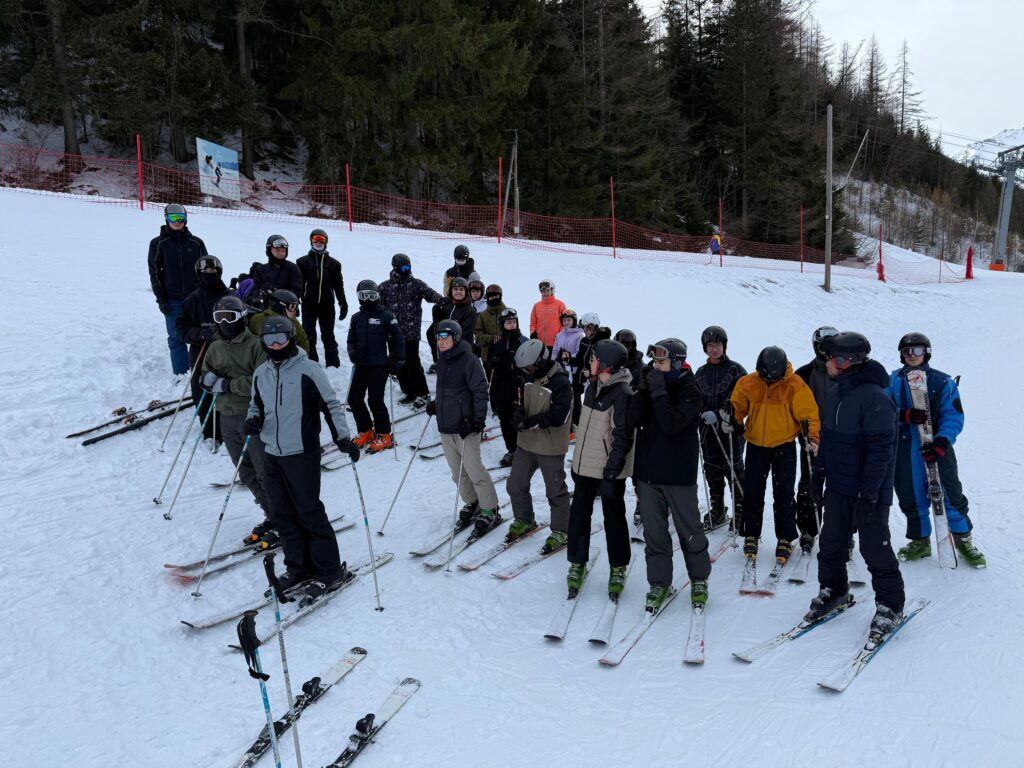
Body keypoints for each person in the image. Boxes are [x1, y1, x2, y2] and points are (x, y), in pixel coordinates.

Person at [244, 316, 360, 599]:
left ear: (291, 339)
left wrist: (343, 437)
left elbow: (330, 404)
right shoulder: (262, 373)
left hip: (302, 454)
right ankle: (298, 568)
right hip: (272, 453)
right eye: (269, 340)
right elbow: (255, 404)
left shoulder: (308, 369)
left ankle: (329, 571)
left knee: (309, 513)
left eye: (280, 338)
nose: (275, 345)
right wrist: (253, 419)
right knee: (282, 514)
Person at [807, 332, 906, 639]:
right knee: (832, 543)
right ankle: (834, 590)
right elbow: (828, 439)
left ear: (845, 362)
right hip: (839, 485)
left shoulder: (876, 399)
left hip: (868, 491)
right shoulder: (837, 393)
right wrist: (818, 473)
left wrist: (870, 493)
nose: (826, 364)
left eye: (830, 358)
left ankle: (890, 605)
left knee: (874, 548)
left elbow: (881, 453)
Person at [886, 332, 985, 567]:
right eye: (907, 351)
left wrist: (942, 441)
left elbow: (954, 414)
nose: (912, 356)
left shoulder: (942, 382)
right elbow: (881, 410)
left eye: (917, 351)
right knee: (911, 493)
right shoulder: (892, 381)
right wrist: (903, 415)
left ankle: (963, 540)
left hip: (937, 446)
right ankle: (920, 541)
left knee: (949, 491)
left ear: (927, 352)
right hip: (906, 447)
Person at [627, 338, 708, 612]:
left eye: (661, 362)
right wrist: (642, 390)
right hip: (649, 472)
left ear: (675, 361)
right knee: (655, 533)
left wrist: (659, 392)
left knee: (690, 531)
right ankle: (659, 583)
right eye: (654, 362)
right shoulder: (653, 385)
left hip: (678, 474)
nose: (655, 366)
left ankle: (699, 579)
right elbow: (631, 420)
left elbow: (671, 423)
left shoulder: (690, 389)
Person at [728, 346, 819, 566]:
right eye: (764, 376)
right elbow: (737, 406)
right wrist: (733, 418)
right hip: (756, 445)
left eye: (773, 378)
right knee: (752, 491)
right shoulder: (749, 383)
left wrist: (812, 437)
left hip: (784, 446)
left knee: (784, 492)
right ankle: (751, 532)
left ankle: (785, 537)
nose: (768, 381)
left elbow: (809, 415)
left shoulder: (795, 385)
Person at [566, 339, 635, 598]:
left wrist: (611, 472)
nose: (591, 362)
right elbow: (586, 429)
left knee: (614, 518)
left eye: (594, 358)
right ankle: (577, 561)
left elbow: (622, 438)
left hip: (608, 470)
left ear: (605, 364)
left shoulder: (622, 393)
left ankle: (618, 566)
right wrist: (577, 464)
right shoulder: (593, 386)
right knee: (579, 515)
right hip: (586, 466)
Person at [200, 295, 272, 539]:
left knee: (265, 470)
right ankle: (271, 513)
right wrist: (206, 381)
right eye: (218, 318)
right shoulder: (215, 347)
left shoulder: (255, 345)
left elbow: (261, 381)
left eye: (228, 317)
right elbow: (206, 373)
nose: (223, 322)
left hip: (252, 415)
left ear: (241, 317)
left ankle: (285, 517)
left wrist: (229, 385)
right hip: (226, 417)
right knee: (246, 472)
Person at [425, 319, 500, 536]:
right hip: (446, 426)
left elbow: (480, 392)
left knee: (474, 469)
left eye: (444, 337)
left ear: (455, 338)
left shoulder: (470, 360)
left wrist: (477, 420)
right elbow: (447, 393)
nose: (440, 341)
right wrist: (436, 406)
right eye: (438, 337)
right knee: (457, 472)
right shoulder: (442, 361)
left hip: (466, 427)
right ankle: (472, 501)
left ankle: (490, 508)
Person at [505, 339, 573, 553]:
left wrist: (532, 421)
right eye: (525, 368)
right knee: (515, 484)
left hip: (550, 446)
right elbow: (523, 404)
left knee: (555, 490)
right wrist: (519, 415)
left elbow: (560, 416)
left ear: (542, 361)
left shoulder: (561, 382)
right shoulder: (528, 377)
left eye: (530, 367)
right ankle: (524, 518)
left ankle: (562, 530)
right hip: (527, 443)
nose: (527, 371)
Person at [694, 325, 747, 531]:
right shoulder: (700, 372)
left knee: (733, 470)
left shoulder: (736, 369)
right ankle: (718, 509)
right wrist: (702, 410)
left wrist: (727, 410)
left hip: (731, 429)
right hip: (708, 430)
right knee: (712, 470)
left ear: (724, 346)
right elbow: (694, 397)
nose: (714, 349)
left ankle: (741, 510)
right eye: (710, 345)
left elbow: (744, 397)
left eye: (717, 344)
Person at [148, 203, 208, 375]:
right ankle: (181, 373)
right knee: (176, 337)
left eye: (180, 218)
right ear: (166, 219)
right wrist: (161, 299)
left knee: (200, 334)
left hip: (196, 298)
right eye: (173, 218)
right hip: (172, 299)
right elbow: (155, 274)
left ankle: (200, 370)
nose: (177, 222)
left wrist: (207, 293)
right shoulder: (158, 244)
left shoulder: (196, 243)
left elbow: (207, 269)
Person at [346, 280, 405, 454]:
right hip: (361, 365)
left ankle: (385, 435)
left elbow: (398, 338)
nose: (368, 299)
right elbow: (350, 340)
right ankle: (365, 430)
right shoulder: (356, 318)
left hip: (379, 365)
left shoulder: (386, 315)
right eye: (364, 295)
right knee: (354, 398)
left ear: (378, 296)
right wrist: (352, 352)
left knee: (375, 400)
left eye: (372, 295)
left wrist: (398, 360)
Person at [794, 326, 839, 550]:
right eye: (823, 347)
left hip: (841, 439)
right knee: (810, 484)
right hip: (811, 439)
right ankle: (808, 529)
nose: (827, 351)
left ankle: (841, 530)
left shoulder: (847, 372)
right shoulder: (803, 374)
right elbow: (791, 405)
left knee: (840, 485)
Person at [176, 255, 231, 439]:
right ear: (199, 274)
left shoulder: (228, 297)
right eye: (205, 272)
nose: (209, 274)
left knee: (226, 387)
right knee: (202, 388)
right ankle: (209, 431)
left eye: (213, 271)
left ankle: (228, 430)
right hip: (201, 350)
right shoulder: (192, 300)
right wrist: (200, 333)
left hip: (226, 350)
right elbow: (181, 330)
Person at [378, 253, 443, 407]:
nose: (406, 270)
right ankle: (409, 391)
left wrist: (443, 300)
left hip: (411, 332)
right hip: (393, 333)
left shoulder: (416, 284)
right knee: (398, 364)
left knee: (413, 363)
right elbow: (377, 306)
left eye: (408, 267)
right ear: (395, 268)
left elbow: (431, 294)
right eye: (403, 268)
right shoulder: (385, 287)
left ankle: (422, 393)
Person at [296, 228, 348, 367]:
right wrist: (295, 302)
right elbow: (298, 284)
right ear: (311, 241)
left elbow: (338, 285)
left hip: (327, 305)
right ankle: (311, 363)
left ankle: (333, 365)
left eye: (322, 240)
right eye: (315, 239)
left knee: (328, 335)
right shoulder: (302, 262)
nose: (318, 242)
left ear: (326, 242)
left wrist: (343, 303)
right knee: (308, 335)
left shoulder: (334, 264)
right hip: (309, 304)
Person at [488, 308, 528, 468]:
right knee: (505, 421)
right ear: (502, 324)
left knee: (518, 421)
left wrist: (522, 376)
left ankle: (525, 453)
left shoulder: (524, 341)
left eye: (513, 322)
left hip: (518, 388)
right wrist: (492, 363)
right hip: (501, 389)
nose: (511, 325)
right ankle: (512, 450)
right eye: (508, 322)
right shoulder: (498, 343)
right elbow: (490, 362)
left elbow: (533, 365)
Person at [571, 313, 611, 430]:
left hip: (596, 379)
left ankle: (594, 428)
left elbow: (604, 365)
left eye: (585, 328)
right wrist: (569, 358)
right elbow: (579, 360)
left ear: (592, 327)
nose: (584, 331)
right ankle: (578, 425)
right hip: (583, 377)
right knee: (578, 399)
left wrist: (592, 373)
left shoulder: (602, 343)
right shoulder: (584, 340)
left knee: (594, 402)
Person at [428, 276, 477, 367]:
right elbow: (436, 330)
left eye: (461, 289)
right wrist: (436, 316)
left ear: (466, 292)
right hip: (444, 351)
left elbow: (464, 335)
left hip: (461, 352)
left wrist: (446, 341)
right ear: (451, 291)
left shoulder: (470, 312)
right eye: (455, 289)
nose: (458, 292)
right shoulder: (446, 306)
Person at [247, 289, 311, 354]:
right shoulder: (257, 320)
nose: (295, 311)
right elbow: (250, 342)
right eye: (292, 307)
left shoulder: (293, 321)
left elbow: (303, 343)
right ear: (280, 306)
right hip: (263, 359)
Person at [249, 235, 303, 300]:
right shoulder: (260, 269)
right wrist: (263, 292)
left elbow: (297, 290)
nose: (280, 253)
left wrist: (279, 294)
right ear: (269, 251)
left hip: (288, 308)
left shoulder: (292, 268)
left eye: (283, 250)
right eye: (277, 250)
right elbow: (254, 292)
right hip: (266, 308)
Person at [530, 278, 566, 350]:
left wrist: (560, 335)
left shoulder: (560, 304)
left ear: (552, 290)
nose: (545, 293)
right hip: (540, 343)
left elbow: (564, 323)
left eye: (547, 290)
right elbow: (533, 323)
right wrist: (533, 332)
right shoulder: (536, 306)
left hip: (556, 343)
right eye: (543, 291)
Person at [474, 284, 507, 364]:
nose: (493, 299)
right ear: (488, 298)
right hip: (488, 355)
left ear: (500, 297)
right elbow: (478, 337)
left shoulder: (507, 313)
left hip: (506, 354)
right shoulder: (482, 316)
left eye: (496, 296)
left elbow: (515, 332)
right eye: (491, 297)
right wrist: (491, 338)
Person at [551, 309, 583, 377]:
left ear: (574, 321)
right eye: (564, 320)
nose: (566, 322)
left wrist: (568, 357)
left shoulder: (580, 335)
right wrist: (556, 360)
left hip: (573, 370)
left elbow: (579, 353)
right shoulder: (559, 335)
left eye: (569, 320)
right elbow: (554, 352)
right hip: (559, 369)